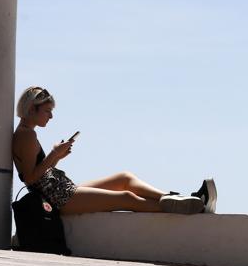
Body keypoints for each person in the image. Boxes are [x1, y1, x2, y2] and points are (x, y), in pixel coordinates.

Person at [13, 86, 216, 215]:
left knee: (124, 178)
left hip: (60, 190)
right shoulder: (26, 135)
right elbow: (30, 179)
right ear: (33, 109)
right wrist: (54, 155)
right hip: (58, 198)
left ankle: (176, 199)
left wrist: (57, 158)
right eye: (47, 111)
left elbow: (37, 173)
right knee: (126, 198)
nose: (50, 117)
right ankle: (187, 209)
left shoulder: (25, 132)